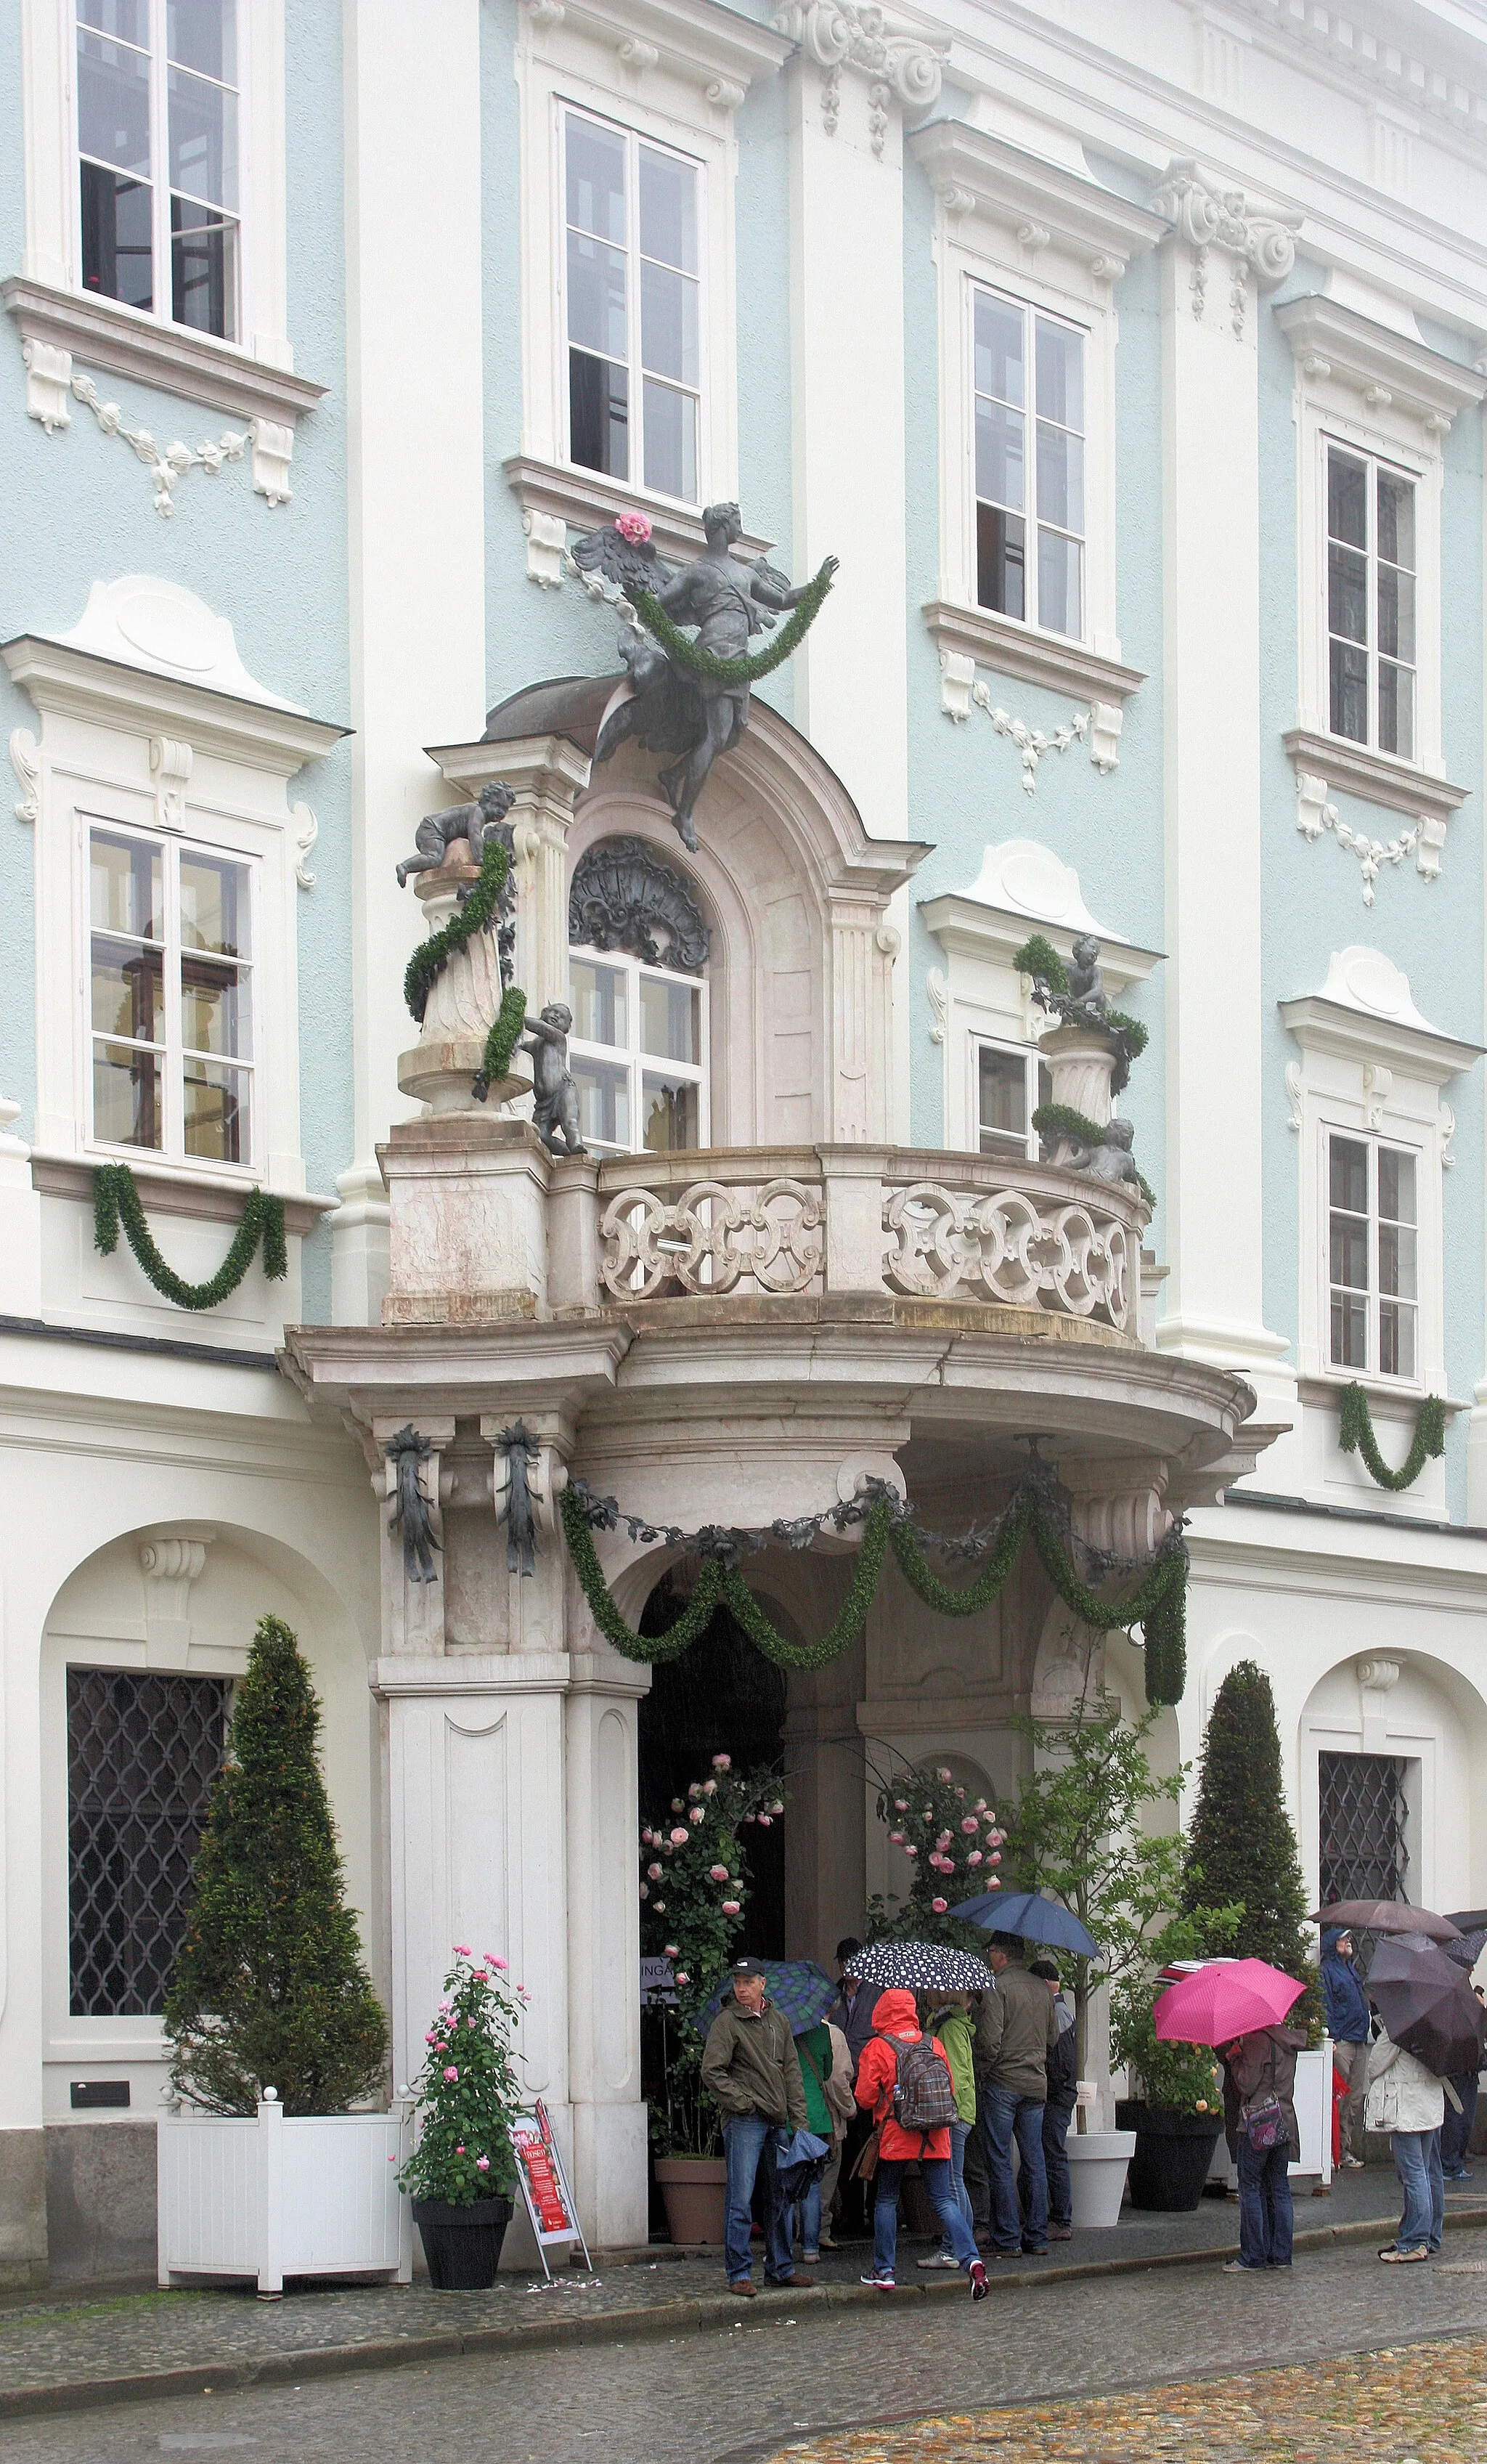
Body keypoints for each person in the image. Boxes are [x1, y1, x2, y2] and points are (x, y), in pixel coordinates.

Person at [852, 1988, 987, 2298]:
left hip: (896, 2134)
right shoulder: (933, 2043)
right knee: (943, 2200)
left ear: (881, 2011)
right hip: (936, 2135)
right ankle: (972, 2260)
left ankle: (884, 2270)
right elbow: (949, 2086)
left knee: (886, 2199)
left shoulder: (878, 2047)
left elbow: (864, 2097)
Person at [700, 1956, 815, 2297]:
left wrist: (801, 2125)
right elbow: (712, 2071)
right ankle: (738, 2273)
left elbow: (792, 2075)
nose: (742, 1988)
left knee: (780, 2197)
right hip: (746, 2121)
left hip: (777, 2122)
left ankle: (780, 2268)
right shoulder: (727, 2022)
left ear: (762, 1984)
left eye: (748, 1982)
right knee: (741, 2198)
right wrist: (742, 2103)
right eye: (737, 1982)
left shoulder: (779, 2022)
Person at [975, 1935, 1062, 2258]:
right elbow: (1053, 2036)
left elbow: (989, 2039)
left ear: (999, 1955)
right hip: (1035, 2085)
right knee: (1034, 2159)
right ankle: (1037, 2236)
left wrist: (984, 2069)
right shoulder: (1042, 1988)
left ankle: (1007, 2237)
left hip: (1003, 2082)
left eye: (990, 1951)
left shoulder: (996, 1987)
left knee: (999, 2159)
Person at [1221, 2021, 1305, 2271]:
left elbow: (1247, 2083)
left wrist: (1235, 2059)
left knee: (1250, 2187)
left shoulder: (1257, 2041)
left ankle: (1253, 2256)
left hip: (1258, 2124)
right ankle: (1281, 2255)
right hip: (1284, 2120)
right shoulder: (1288, 2040)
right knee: (1279, 2188)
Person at [1366, 2019, 1446, 2261]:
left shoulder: (1399, 2025)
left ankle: (1414, 2242)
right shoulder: (1439, 2025)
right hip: (1429, 2105)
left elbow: (1375, 2066)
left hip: (1406, 2108)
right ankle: (1429, 2235)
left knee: (1414, 2175)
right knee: (1429, 2172)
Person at [917, 1991, 977, 2269]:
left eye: (930, 1989)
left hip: (953, 2114)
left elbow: (954, 2074)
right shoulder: (946, 2024)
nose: (926, 1993)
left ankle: (955, 2249)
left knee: (953, 2183)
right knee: (955, 2181)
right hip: (958, 2112)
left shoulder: (950, 2027)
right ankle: (961, 2247)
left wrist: (946, 2109)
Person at [785, 2014, 851, 2264]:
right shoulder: (824, 2033)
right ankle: (811, 2248)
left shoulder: (781, 2029)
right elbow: (826, 2072)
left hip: (789, 2116)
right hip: (819, 2118)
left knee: (787, 2186)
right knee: (812, 2184)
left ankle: (785, 2247)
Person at [828, 1938, 877, 2236]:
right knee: (846, 2152)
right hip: (842, 2082)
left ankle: (873, 2210)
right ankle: (851, 2214)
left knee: (872, 2149)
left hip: (870, 2081)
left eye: (854, 1963)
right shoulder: (835, 1993)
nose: (849, 1970)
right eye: (844, 1963)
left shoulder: (877, 1992)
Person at [1030, 1959, 1078, 2240]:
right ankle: (1058, 2216)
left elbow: (1059, 2063)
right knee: (1050, 2152)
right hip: (1062, 2093)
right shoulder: (1063, 2011)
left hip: (1057, 2095)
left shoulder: (1056, 2013)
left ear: (1045, 1986)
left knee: (1053, 2152)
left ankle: (1061, 2218)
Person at [1320, 1927, 1369, 2168]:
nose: (1348, 1941)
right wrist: (1333, 2039)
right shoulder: (1327, 1971)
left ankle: (1345, 2148)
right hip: (1343, 2043)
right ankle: (1331, 2150)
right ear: (1333, 1943)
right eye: (1343, 1938)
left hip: (1358, 2040)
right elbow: (1325, 2003)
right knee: (1338, 2098)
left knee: (1354, 2098)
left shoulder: (1350, 1968)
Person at [810, 2016, 857, 2251]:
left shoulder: (786, 2028)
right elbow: (838, 2079)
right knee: (824, 2178)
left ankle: (796, 2234)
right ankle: (818, 2233)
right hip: (826, 2117)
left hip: (793, 2116)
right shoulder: (833, 2035)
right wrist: (850, 2109)